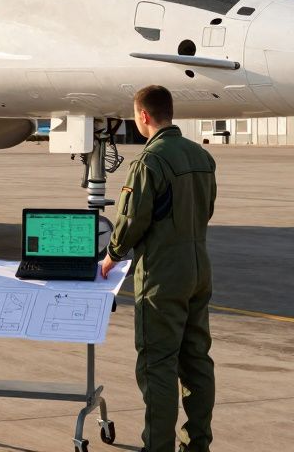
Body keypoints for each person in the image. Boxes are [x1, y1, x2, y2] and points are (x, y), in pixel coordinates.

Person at [100, 85, 216, 452]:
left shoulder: (149, 161)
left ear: (144, 116)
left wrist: (112, 255)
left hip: (162, 276)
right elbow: (207, 209)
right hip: (198, 269)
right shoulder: (201, 156)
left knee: (158, 364)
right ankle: (197, 444)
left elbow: (132, 219)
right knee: (196, 360)